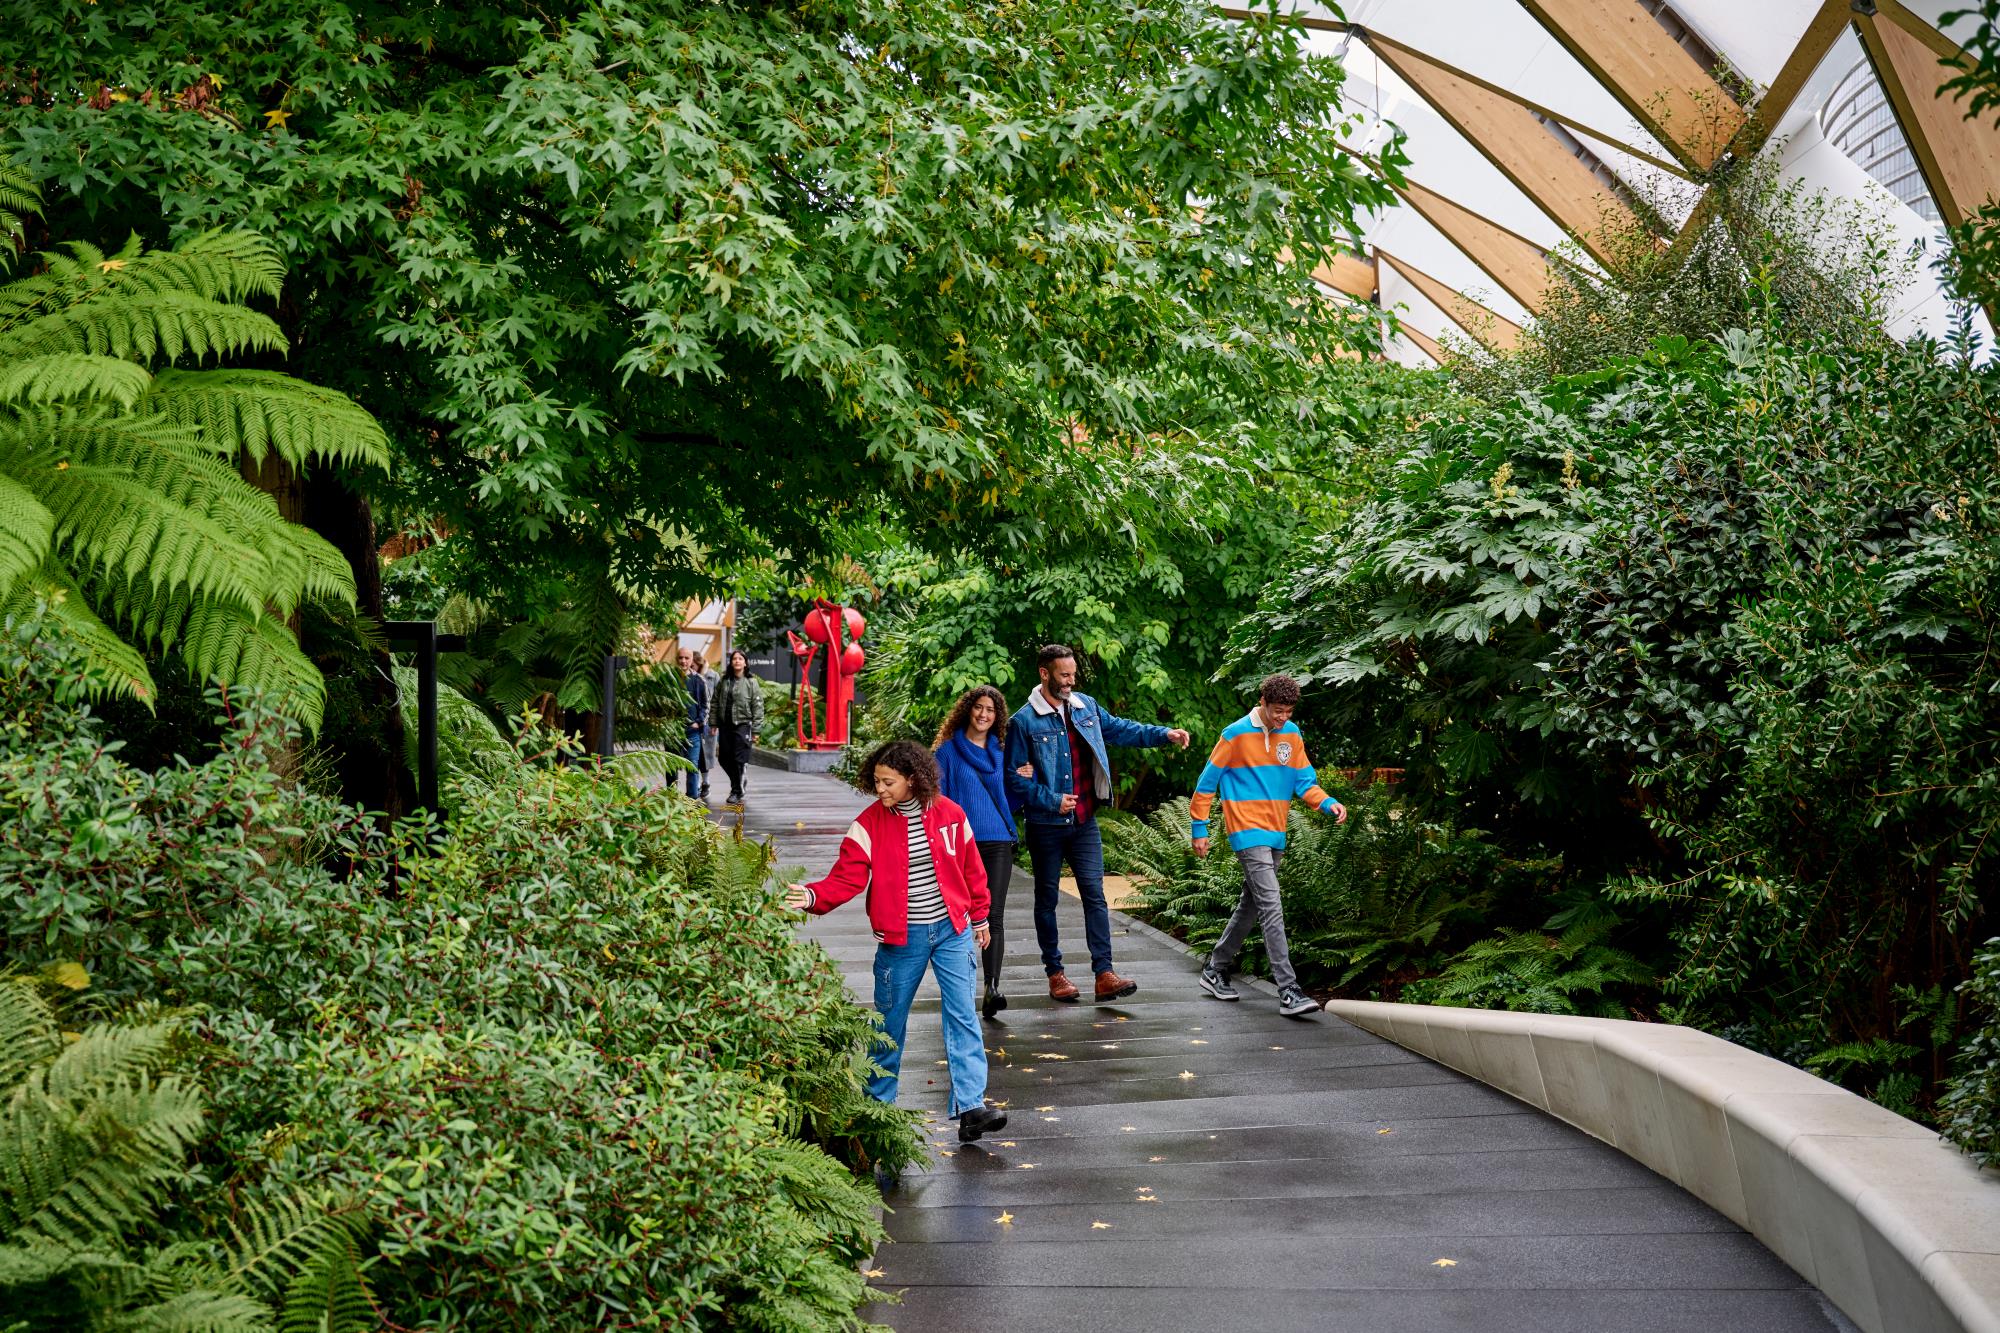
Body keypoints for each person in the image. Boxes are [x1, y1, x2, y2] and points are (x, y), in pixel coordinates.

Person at [785, 741, 1008, 1142]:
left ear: (912, 779)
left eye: (888, 782)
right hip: (901, 938)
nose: (881, 790)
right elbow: (846, 878)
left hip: (951, 930)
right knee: (889, 1024)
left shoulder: (949, 814)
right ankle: (877, 1109)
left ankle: (972, 1106)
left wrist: (980, 916)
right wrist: (813, 895)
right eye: (876, 782)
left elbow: (972, 868)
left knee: (962, 1016)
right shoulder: (868, 825)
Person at [1006, 644, 1190, 1003]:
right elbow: (1014, 779)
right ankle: (1055, 974)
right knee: (1046, 900)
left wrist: (1163, 734)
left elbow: (1122, 730)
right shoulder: (1023, 722)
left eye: (1073, 674)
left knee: (1095, 895)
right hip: (1046, 824)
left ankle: (1104, 974)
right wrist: (1051, 799)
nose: (1071, 681)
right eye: (1064, 675)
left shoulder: (1085, 706)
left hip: (1085, 820)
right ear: (1044, 674)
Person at [1189, 672, 1348, 1018]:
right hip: (1246, 830)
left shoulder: (1291, 735)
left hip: (1276, 831)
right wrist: (1199, 827)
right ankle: (1288, 989)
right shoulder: (1233, 735)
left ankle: (1216, 967)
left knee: (1251, 904)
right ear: (1262, 702)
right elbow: (1206, 783)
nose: (1283, 718)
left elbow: (1304, 781)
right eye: (1278, 711)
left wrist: (1326, 802)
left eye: (1288, 712)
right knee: (1271, 903)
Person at [933, 686, 1026, 1020]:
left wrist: (1021, 781)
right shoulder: (946, 753)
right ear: (967, 710)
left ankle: (992, 988)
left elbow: (1008, 802)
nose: (984, 714)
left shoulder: (1002, 753)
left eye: (991, 710)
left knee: (994, 916)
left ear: (997, 717)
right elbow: (936, 800)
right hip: (960, 843)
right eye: (979, 708)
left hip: (997, 841)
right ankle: (957, 990)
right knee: (956, 915)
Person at [711, 648, 763, 806]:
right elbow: (714, 702)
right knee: (723, 758)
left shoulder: (751, 682)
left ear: (745, 662)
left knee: (739, 759)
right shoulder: (724, 681)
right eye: (735, 659)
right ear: (731, 662)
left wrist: (756, 730)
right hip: (725, 725)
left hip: (742, 725)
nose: (737, 661)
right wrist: (713, 723)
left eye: (740, 658)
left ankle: (736, 791)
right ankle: (739, 780)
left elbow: (758, 706)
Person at [678, 649, 708, 800]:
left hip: (692, 730)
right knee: (671, 767)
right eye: (681, 658)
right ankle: (671, 797)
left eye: (686, 658)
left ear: (692, 660)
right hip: (673, 731)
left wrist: (699, 722)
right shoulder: (670, 678)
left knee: (692, 766)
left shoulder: (699, 680)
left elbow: (705, 704)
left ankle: (691, 800)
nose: (683, 661)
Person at [692, 649, 719, 799]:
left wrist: (716, 722)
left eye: (694, 665)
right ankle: (696, 784)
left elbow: (717, 700)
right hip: (694, 722)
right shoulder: (690, 676)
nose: (692, 668)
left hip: (709, 722)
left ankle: (706, 782)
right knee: (695, 754)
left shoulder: (712, 676)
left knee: (707, 753)